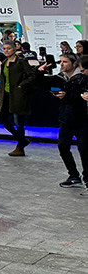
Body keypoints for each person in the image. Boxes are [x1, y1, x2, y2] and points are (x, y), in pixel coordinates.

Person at [0, 39, 37, 156]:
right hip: (6, 95)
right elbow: (2, 81)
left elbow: (32, 75)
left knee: (18, 122)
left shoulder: (21, 61)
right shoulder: (4, 63)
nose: (6, 51)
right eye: (4, 49)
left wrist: (22, 85)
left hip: (18, 95)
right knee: (1, 119)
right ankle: (22, 140)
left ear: (14, 49)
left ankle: (20, 147)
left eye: (9, 48)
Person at [54, 53, 88, 188]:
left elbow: (80, 98)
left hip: (81, 120)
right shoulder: (60, 78)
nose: (62, 64)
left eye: (65, 62)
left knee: (84, 149)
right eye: (61, 62)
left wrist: (67, 95)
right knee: (63, 146)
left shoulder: (82, 79)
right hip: (65, 119)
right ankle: (73, 175)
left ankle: (87, 176)